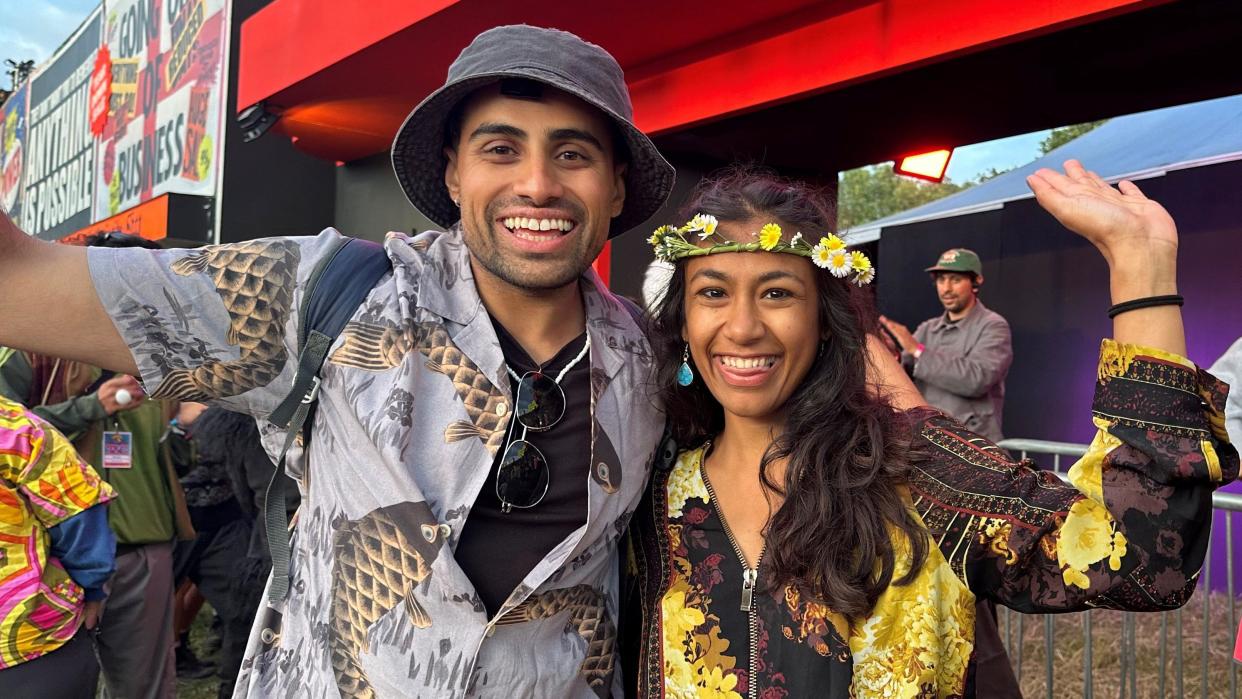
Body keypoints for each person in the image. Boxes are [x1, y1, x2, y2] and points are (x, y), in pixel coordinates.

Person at [0, 24, 677, 698]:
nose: (536, 183)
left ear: (615, 189)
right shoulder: (324, 297)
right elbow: (19, 283)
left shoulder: (650, 364)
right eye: (500, 148)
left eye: (573, 154)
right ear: (453, 171)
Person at [628, 163, 1237, 697]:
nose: (741, 327)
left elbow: (1140, 556)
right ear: (683, 320)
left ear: (824, 321)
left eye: (778, 294)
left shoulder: (913, 472)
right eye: (712, 293)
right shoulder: (649, 494)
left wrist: (1142, 270)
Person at [0, 231, 193, 699]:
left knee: (144, 688)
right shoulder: (32, 351)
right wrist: (91, 407)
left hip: (146, 547)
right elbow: (11, 432)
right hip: (55, 568)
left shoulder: (166, 356)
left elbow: (176, 453)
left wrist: (190, 428)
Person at [0, 394, 116, 698]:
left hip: (29, 642)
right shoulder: (14, 427)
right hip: (31, 641)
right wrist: (92, 586)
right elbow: (77, 510)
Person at [880, 247, 1012, 443]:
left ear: (976, 282)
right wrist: (892, 352)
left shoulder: (993, 325)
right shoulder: (928, 328)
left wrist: (917, 350)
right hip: (931, 442)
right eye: (941, 280)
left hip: (975, 446)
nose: (946, 288)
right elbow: (903, 376)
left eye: (955, 280)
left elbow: (977, 379)